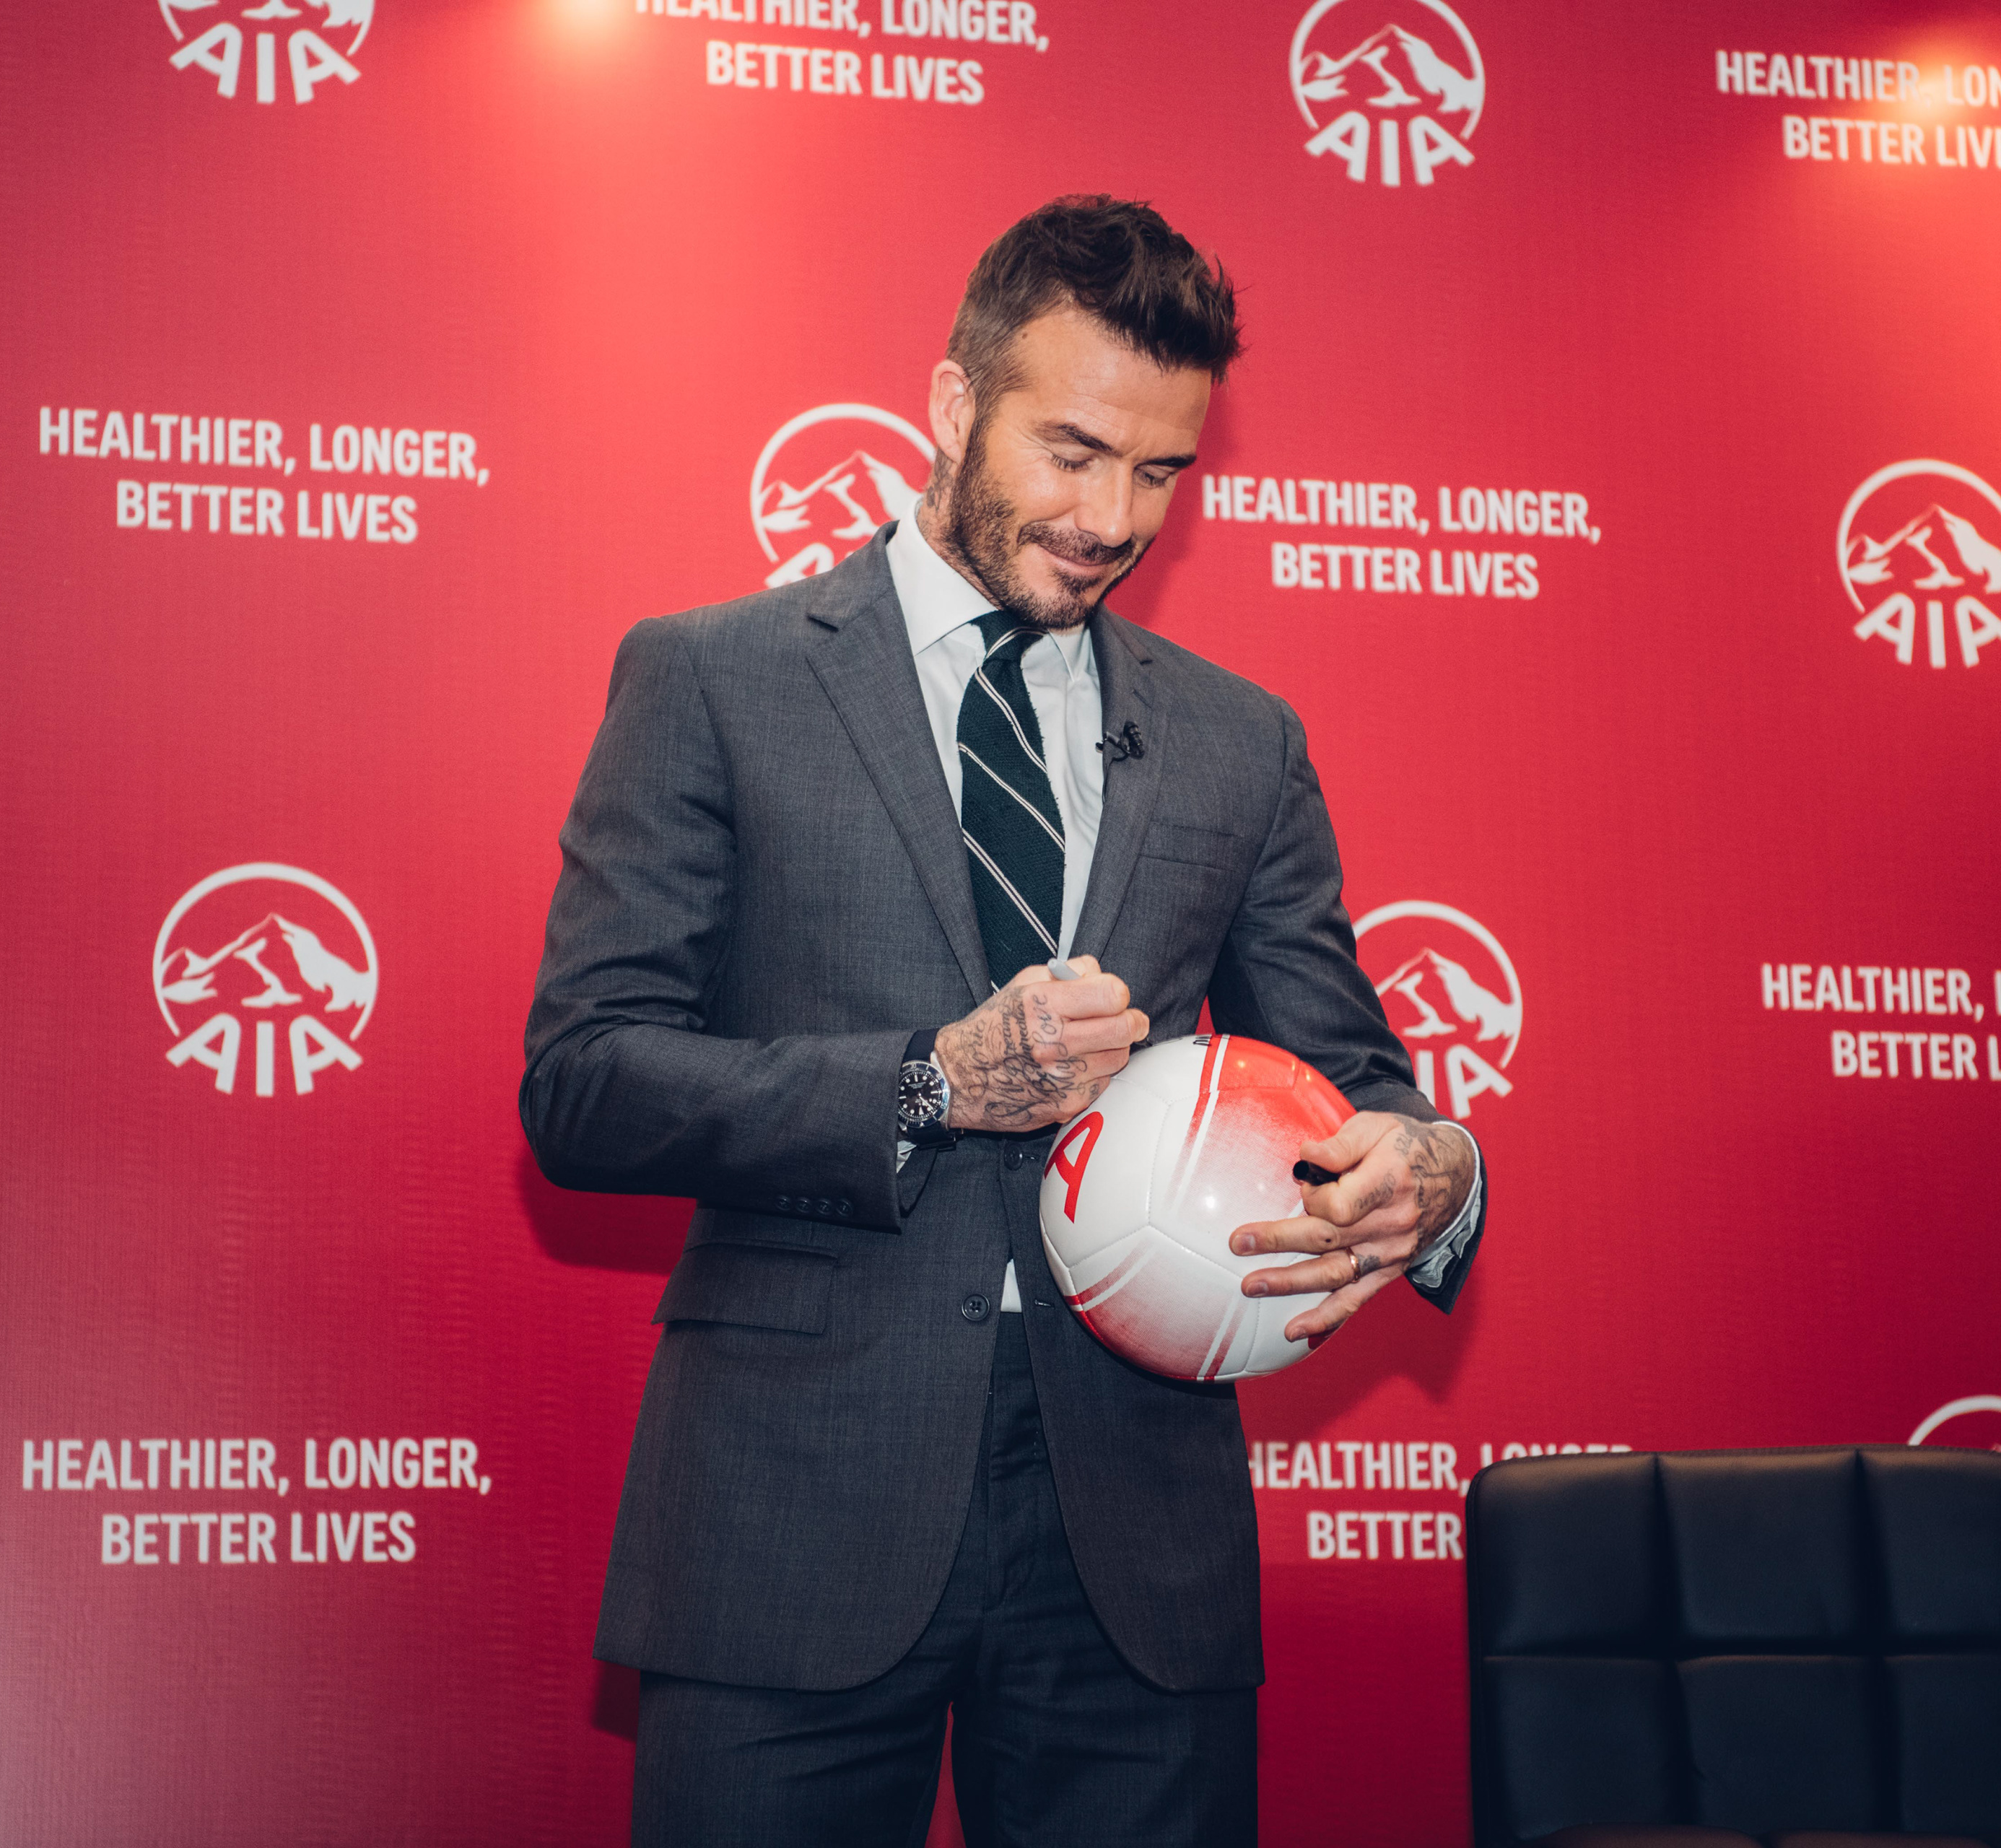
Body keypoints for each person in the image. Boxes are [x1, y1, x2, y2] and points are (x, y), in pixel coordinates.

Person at [521, 194, 1487, 1847]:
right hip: (794, 1507)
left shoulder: (1240, 741)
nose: (1113, 518)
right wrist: (928, 1081)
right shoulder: (713, 678)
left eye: (1162, 472)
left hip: (1137, 1532)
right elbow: (586, 1081)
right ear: (955, 404)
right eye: (1074, 451)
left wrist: (1433, 1165)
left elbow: (1353, 1074)